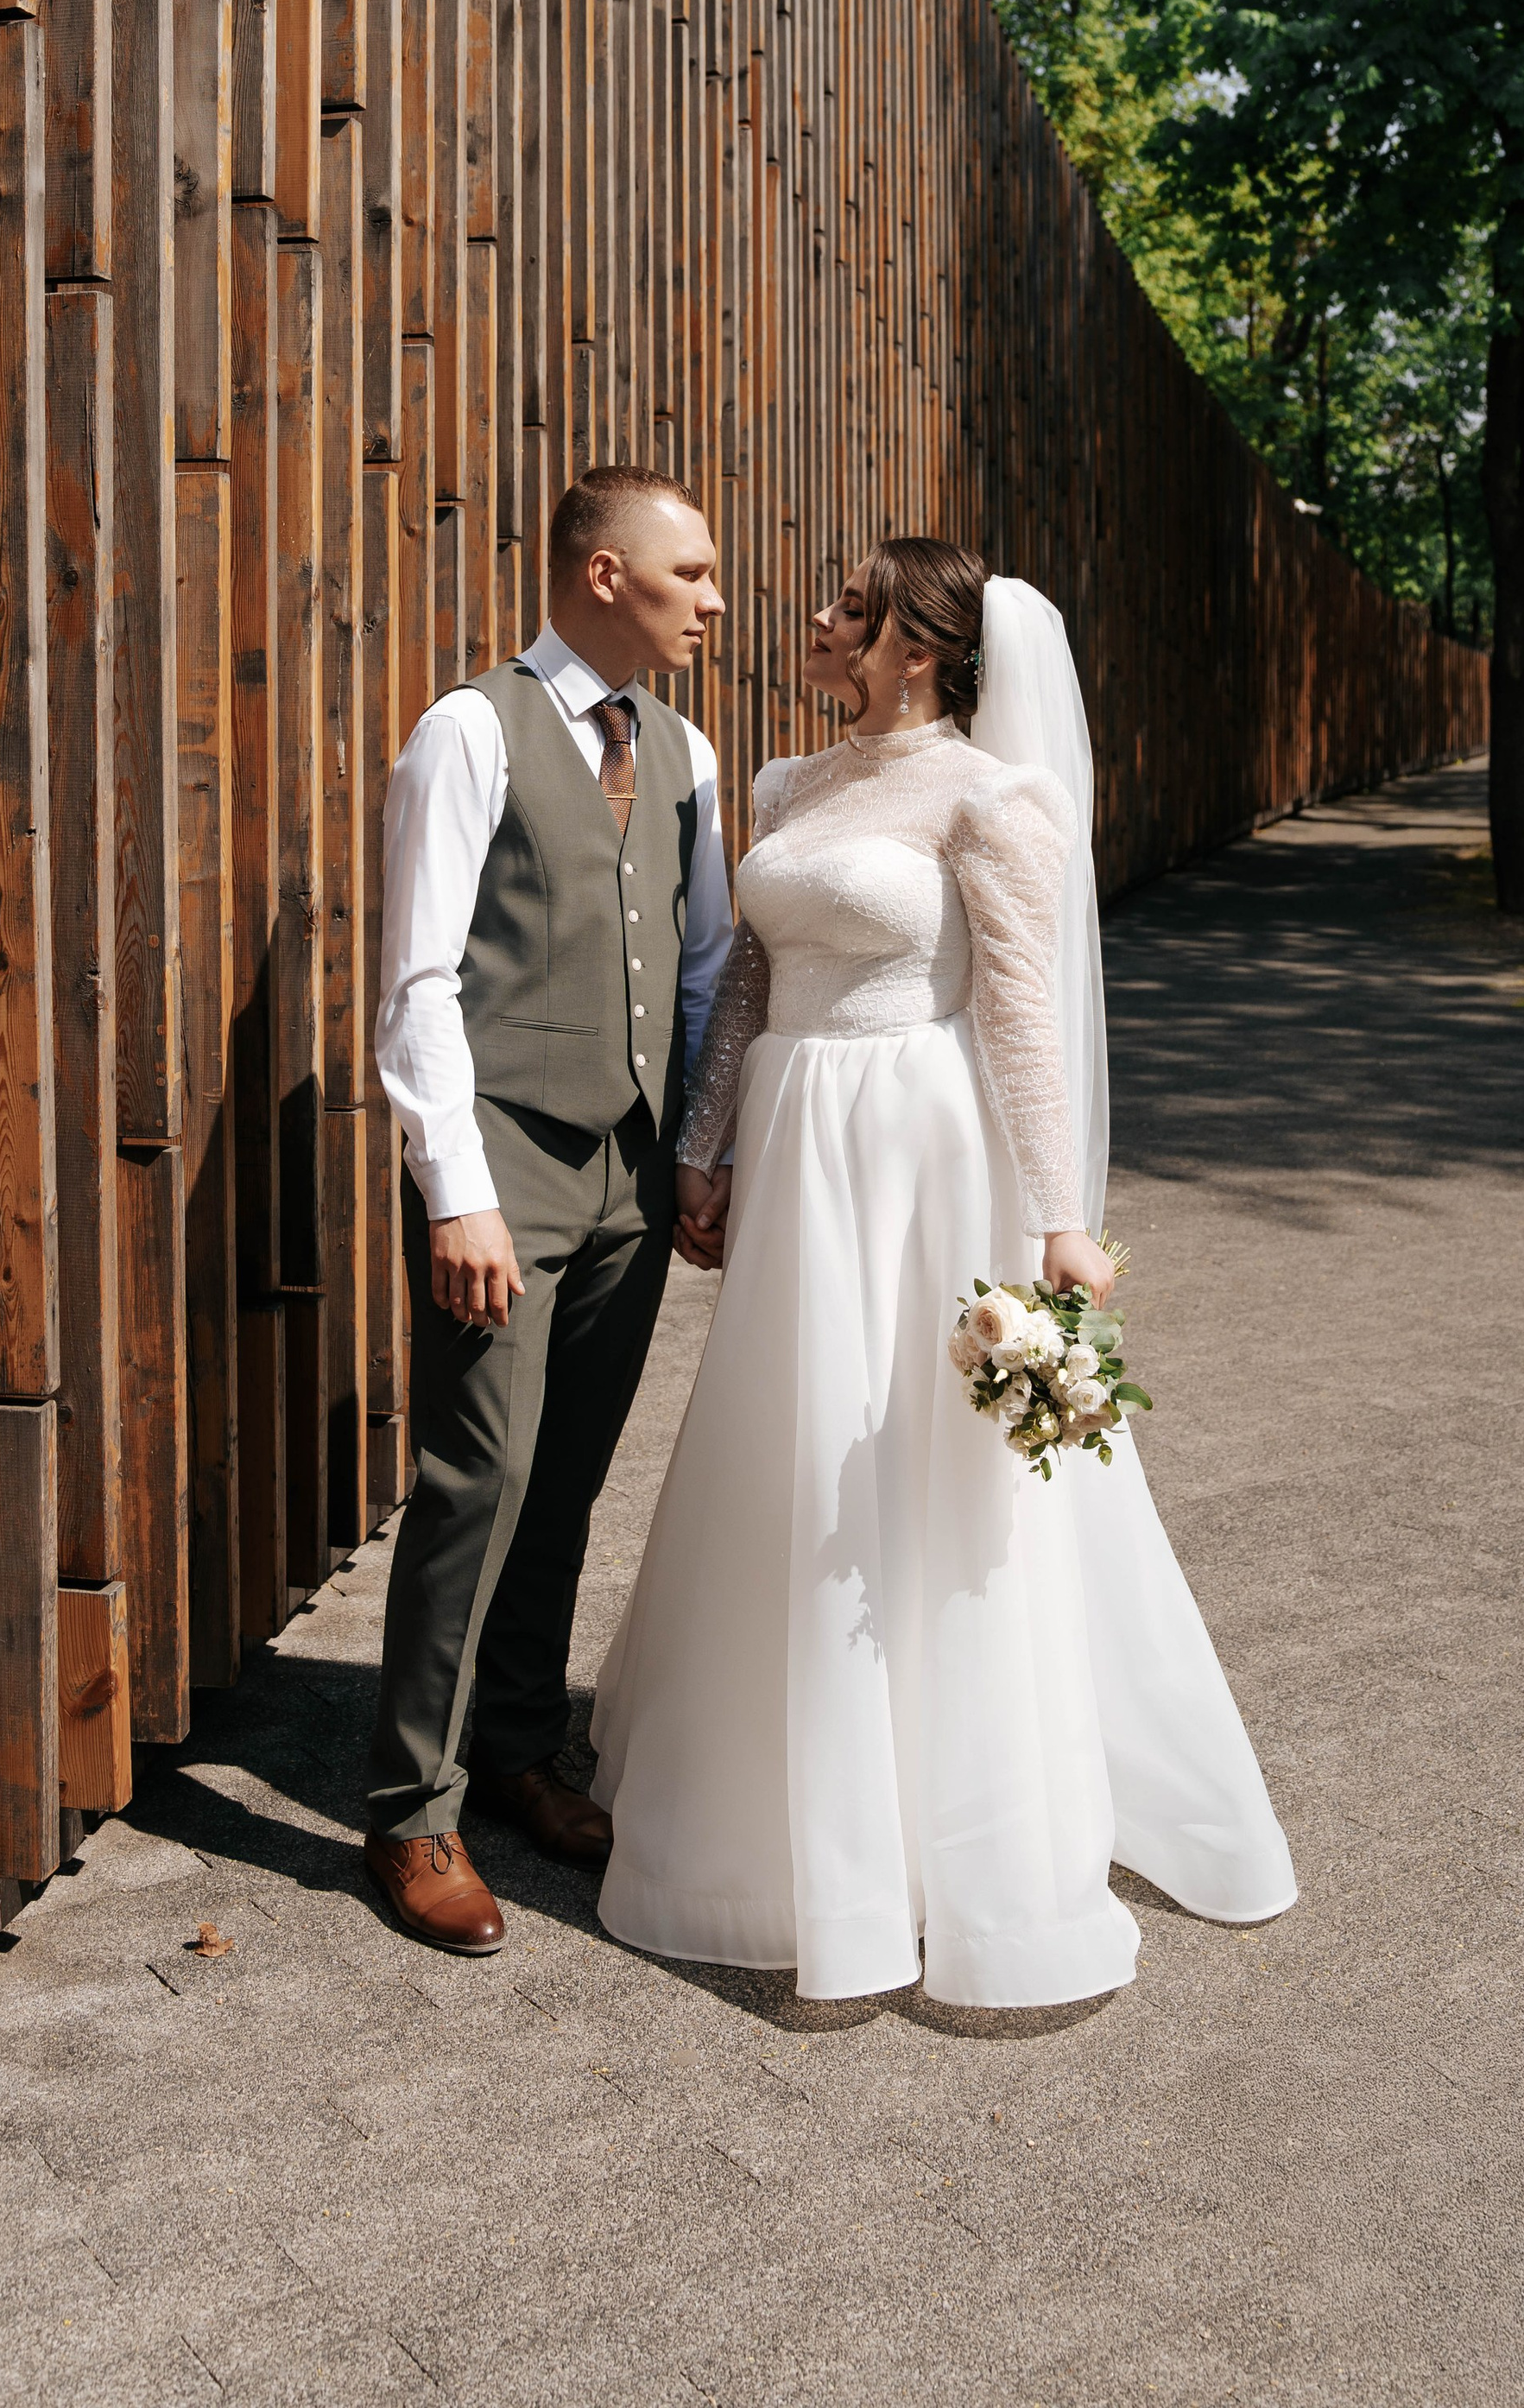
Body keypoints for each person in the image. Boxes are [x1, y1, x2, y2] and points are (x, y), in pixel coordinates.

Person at [593, 539, 1296, 2005]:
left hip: (919, 1151)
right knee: (792, 1445)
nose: (819, 617)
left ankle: (943, 1807)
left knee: (917, 1458)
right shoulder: (784, 786)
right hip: (796, 1141)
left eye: (851, 607)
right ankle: (769, 1796)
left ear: (918, 649)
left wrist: (1060, 1217)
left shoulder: (990, 797)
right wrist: (706, 1149)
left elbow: (1023, 1013)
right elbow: (752, 984)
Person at [363, 466, 733, 1951]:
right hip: (504, 1167)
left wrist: (695, 1152)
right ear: (602, 575)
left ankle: (517, 1747)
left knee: (567, 1477)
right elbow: (417, 981)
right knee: (478, 1479)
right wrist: (454, 1192)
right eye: (690, 573)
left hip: (630, 1173)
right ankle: (412, 1809)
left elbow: (701, 971)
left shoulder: (687, 752)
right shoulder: (470, 730)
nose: (713, 601)